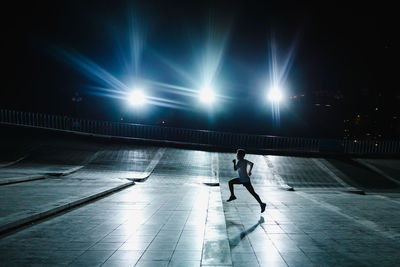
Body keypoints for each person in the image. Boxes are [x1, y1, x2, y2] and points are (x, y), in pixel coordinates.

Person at [227, 149, 266, 213]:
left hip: (243, 180)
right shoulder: (245, 161)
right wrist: (249, 171)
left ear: (240, 155)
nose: (236, 156)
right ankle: (261, 204)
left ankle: (232, 195)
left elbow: (235, 169)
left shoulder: (239, 161)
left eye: (237, 154)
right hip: (244, 179)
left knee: (230, 182)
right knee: (253, 193)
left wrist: (234, 163)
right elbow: (252, 164)